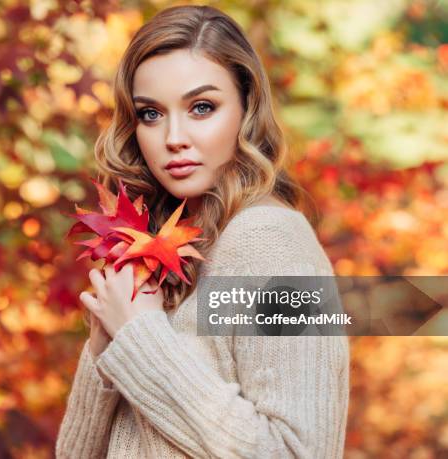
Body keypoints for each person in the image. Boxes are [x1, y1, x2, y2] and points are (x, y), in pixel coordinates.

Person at [56, 5, 349, 458]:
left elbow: (296, 451)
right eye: (151, 114)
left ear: (246, 108)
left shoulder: (270, 240)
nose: (174, 137)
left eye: (201, 107)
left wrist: (139, 341)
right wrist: (104, 348)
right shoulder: (158, 251)